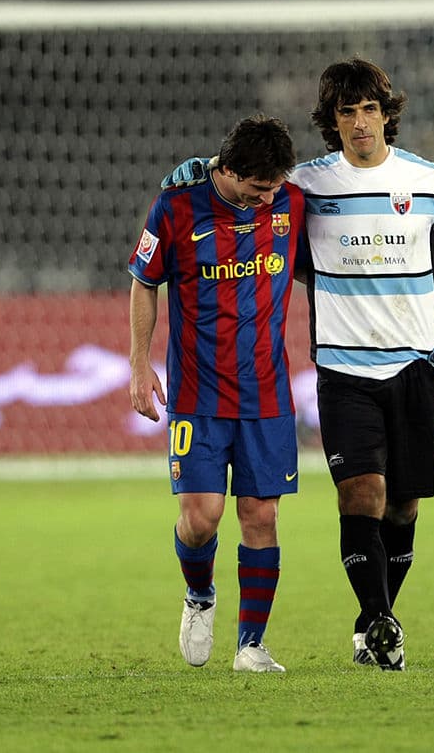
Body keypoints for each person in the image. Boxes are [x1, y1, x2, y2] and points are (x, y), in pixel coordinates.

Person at [162, 57, 434, 670]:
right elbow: (246, 186)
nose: (360, 123)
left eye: (370, 109)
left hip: (416, 368)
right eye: (347, 112)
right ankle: (378, 622)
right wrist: (201, 172)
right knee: (360, 495)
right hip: (343, 371)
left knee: (402, 506)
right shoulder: (309, 186)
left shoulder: (430, 181)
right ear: (332, 122)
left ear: (386, 114)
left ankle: (373, 622)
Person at [129, 115, 305, 673]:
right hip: (197, 394)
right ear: (225, 170)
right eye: (257, 190)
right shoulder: (175, 208)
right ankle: (199, 596)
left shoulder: (291, 201)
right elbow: (144, 280)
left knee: (261, 516)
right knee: (202, 518)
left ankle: (251, 645)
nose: (266, 200)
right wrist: (138, 364)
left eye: (274, 189)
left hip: (268, 393)